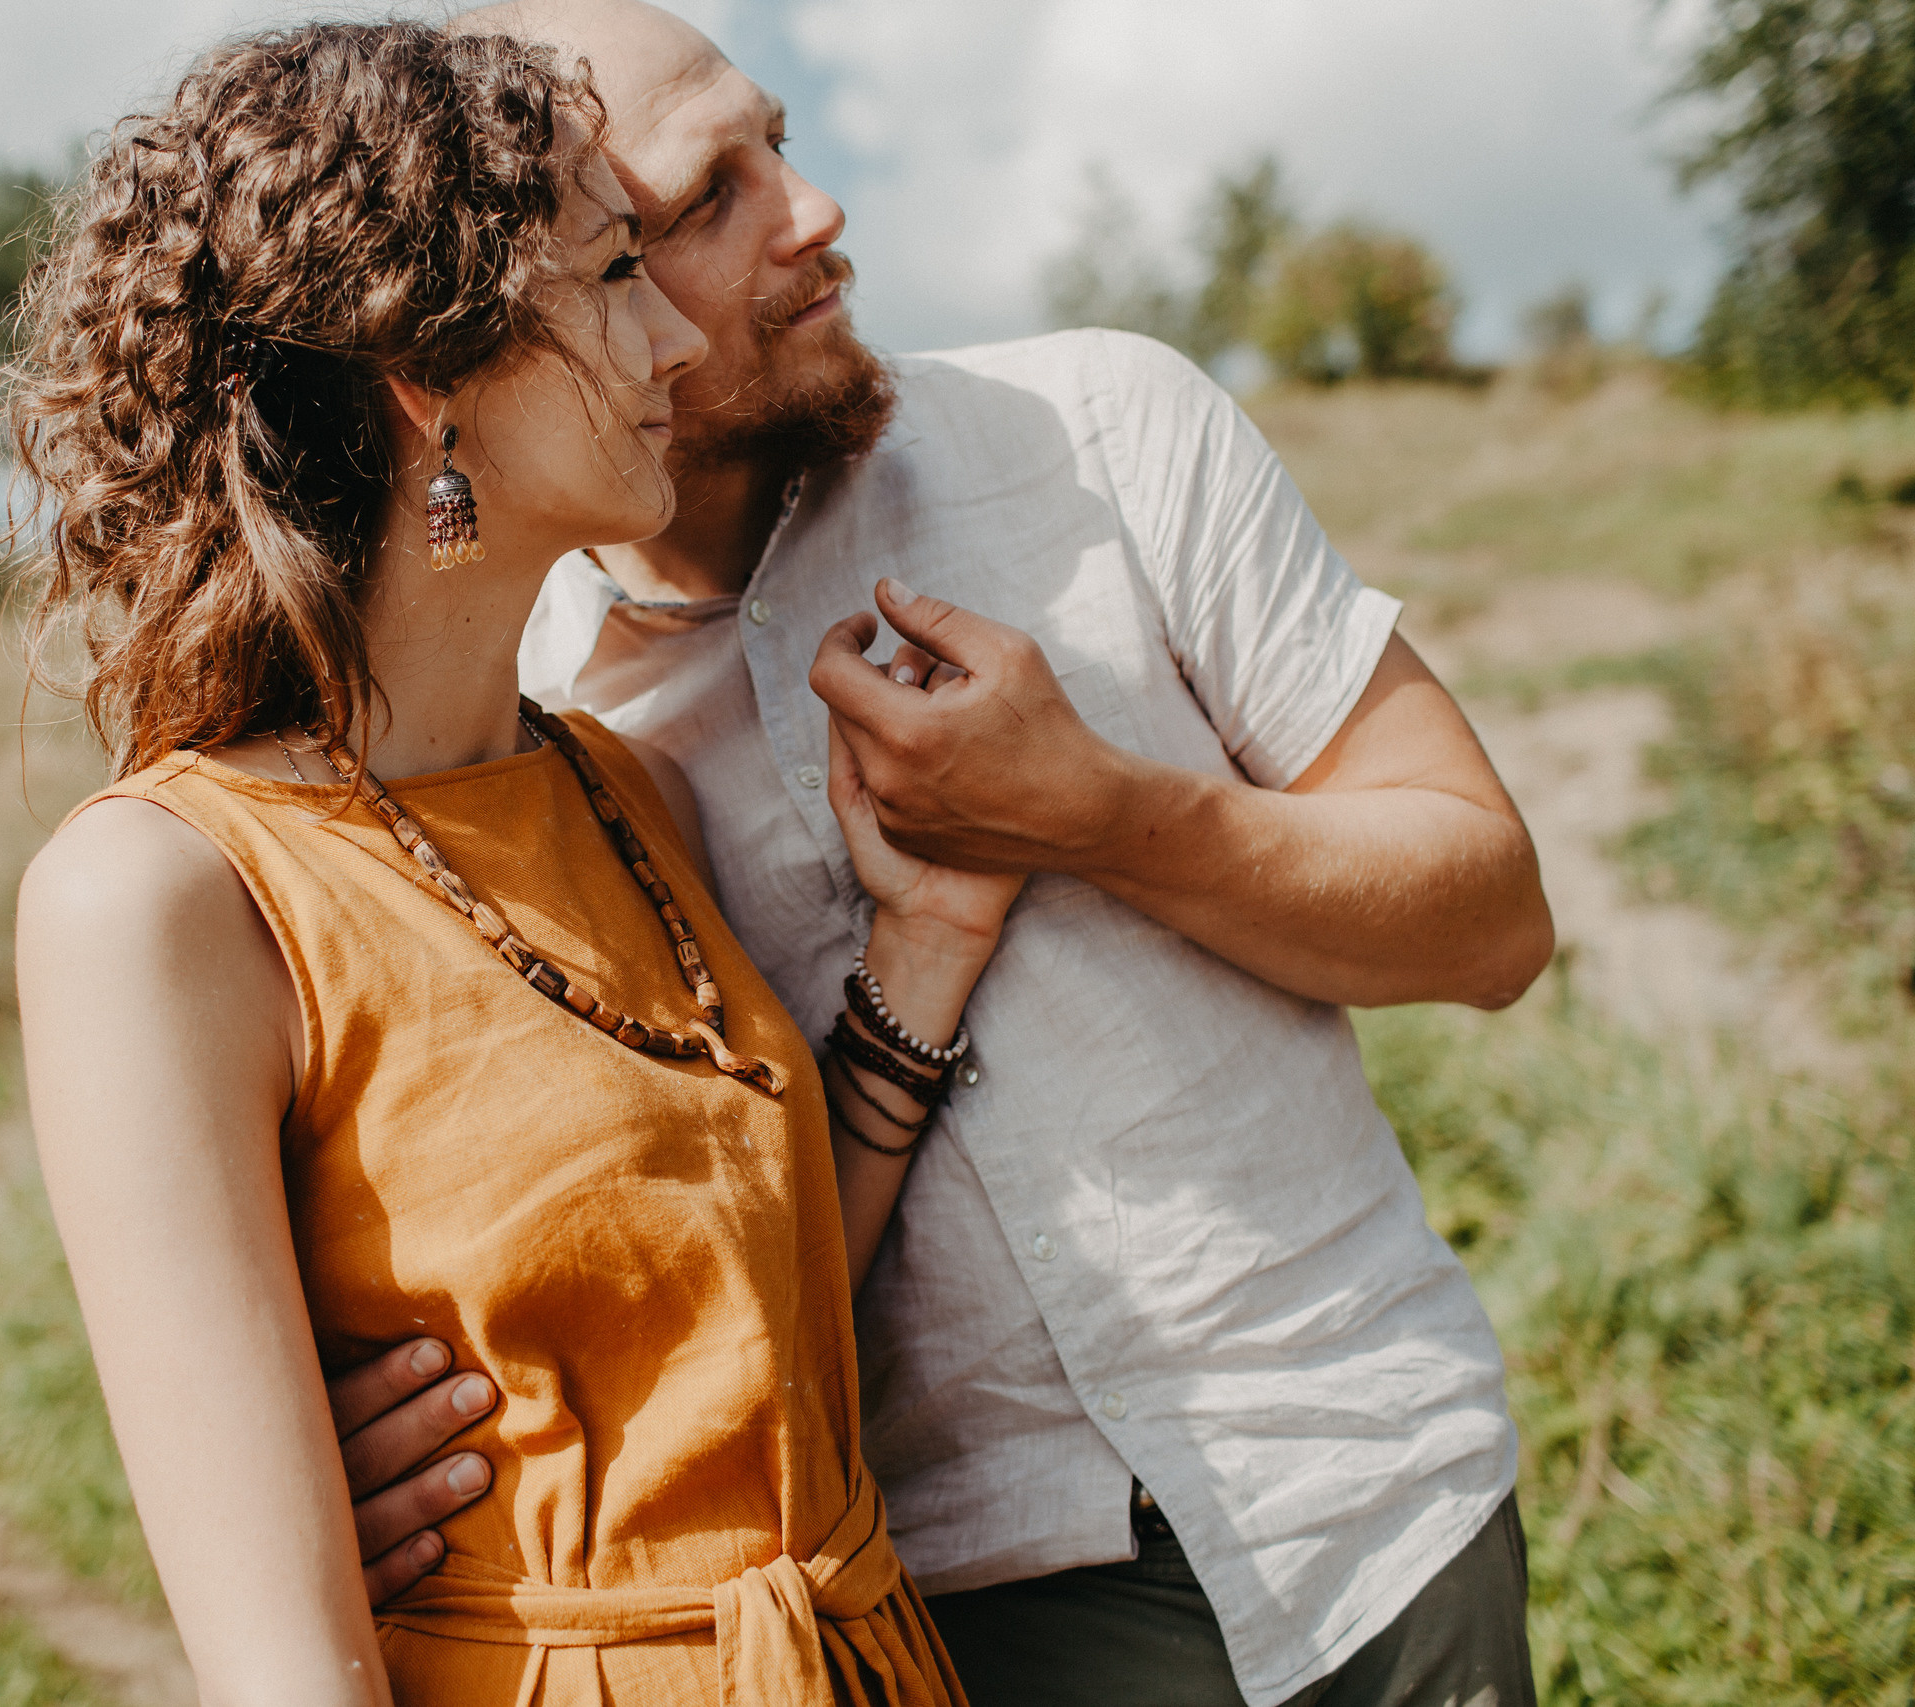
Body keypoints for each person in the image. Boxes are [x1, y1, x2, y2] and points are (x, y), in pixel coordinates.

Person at [329, 5, 1558, 1705]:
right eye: (705, 204)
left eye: (781, 142)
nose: (814, 211)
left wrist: (1104, 812)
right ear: (543, 292)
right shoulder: (544, 739)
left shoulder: (1108, 434)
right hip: (961, 1628)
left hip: (1373, 1508)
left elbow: (1492, 917)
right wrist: (383, 1434)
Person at [8, 21, 1005, 1704]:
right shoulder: (164, 899)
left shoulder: (621, 787)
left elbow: (741, 1340)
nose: (676, 332)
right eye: (618, 271)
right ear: (431, 374)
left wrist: (928, 945)